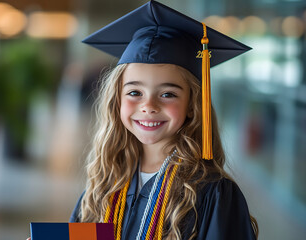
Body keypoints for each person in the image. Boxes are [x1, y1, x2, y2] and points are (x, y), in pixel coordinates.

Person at [69, 1, 258, 240]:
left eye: (168, 94)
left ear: (192, 104)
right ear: (116, 99)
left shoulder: (212, 193)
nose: (148, 106)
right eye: (134, 92)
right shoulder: (104, 183)